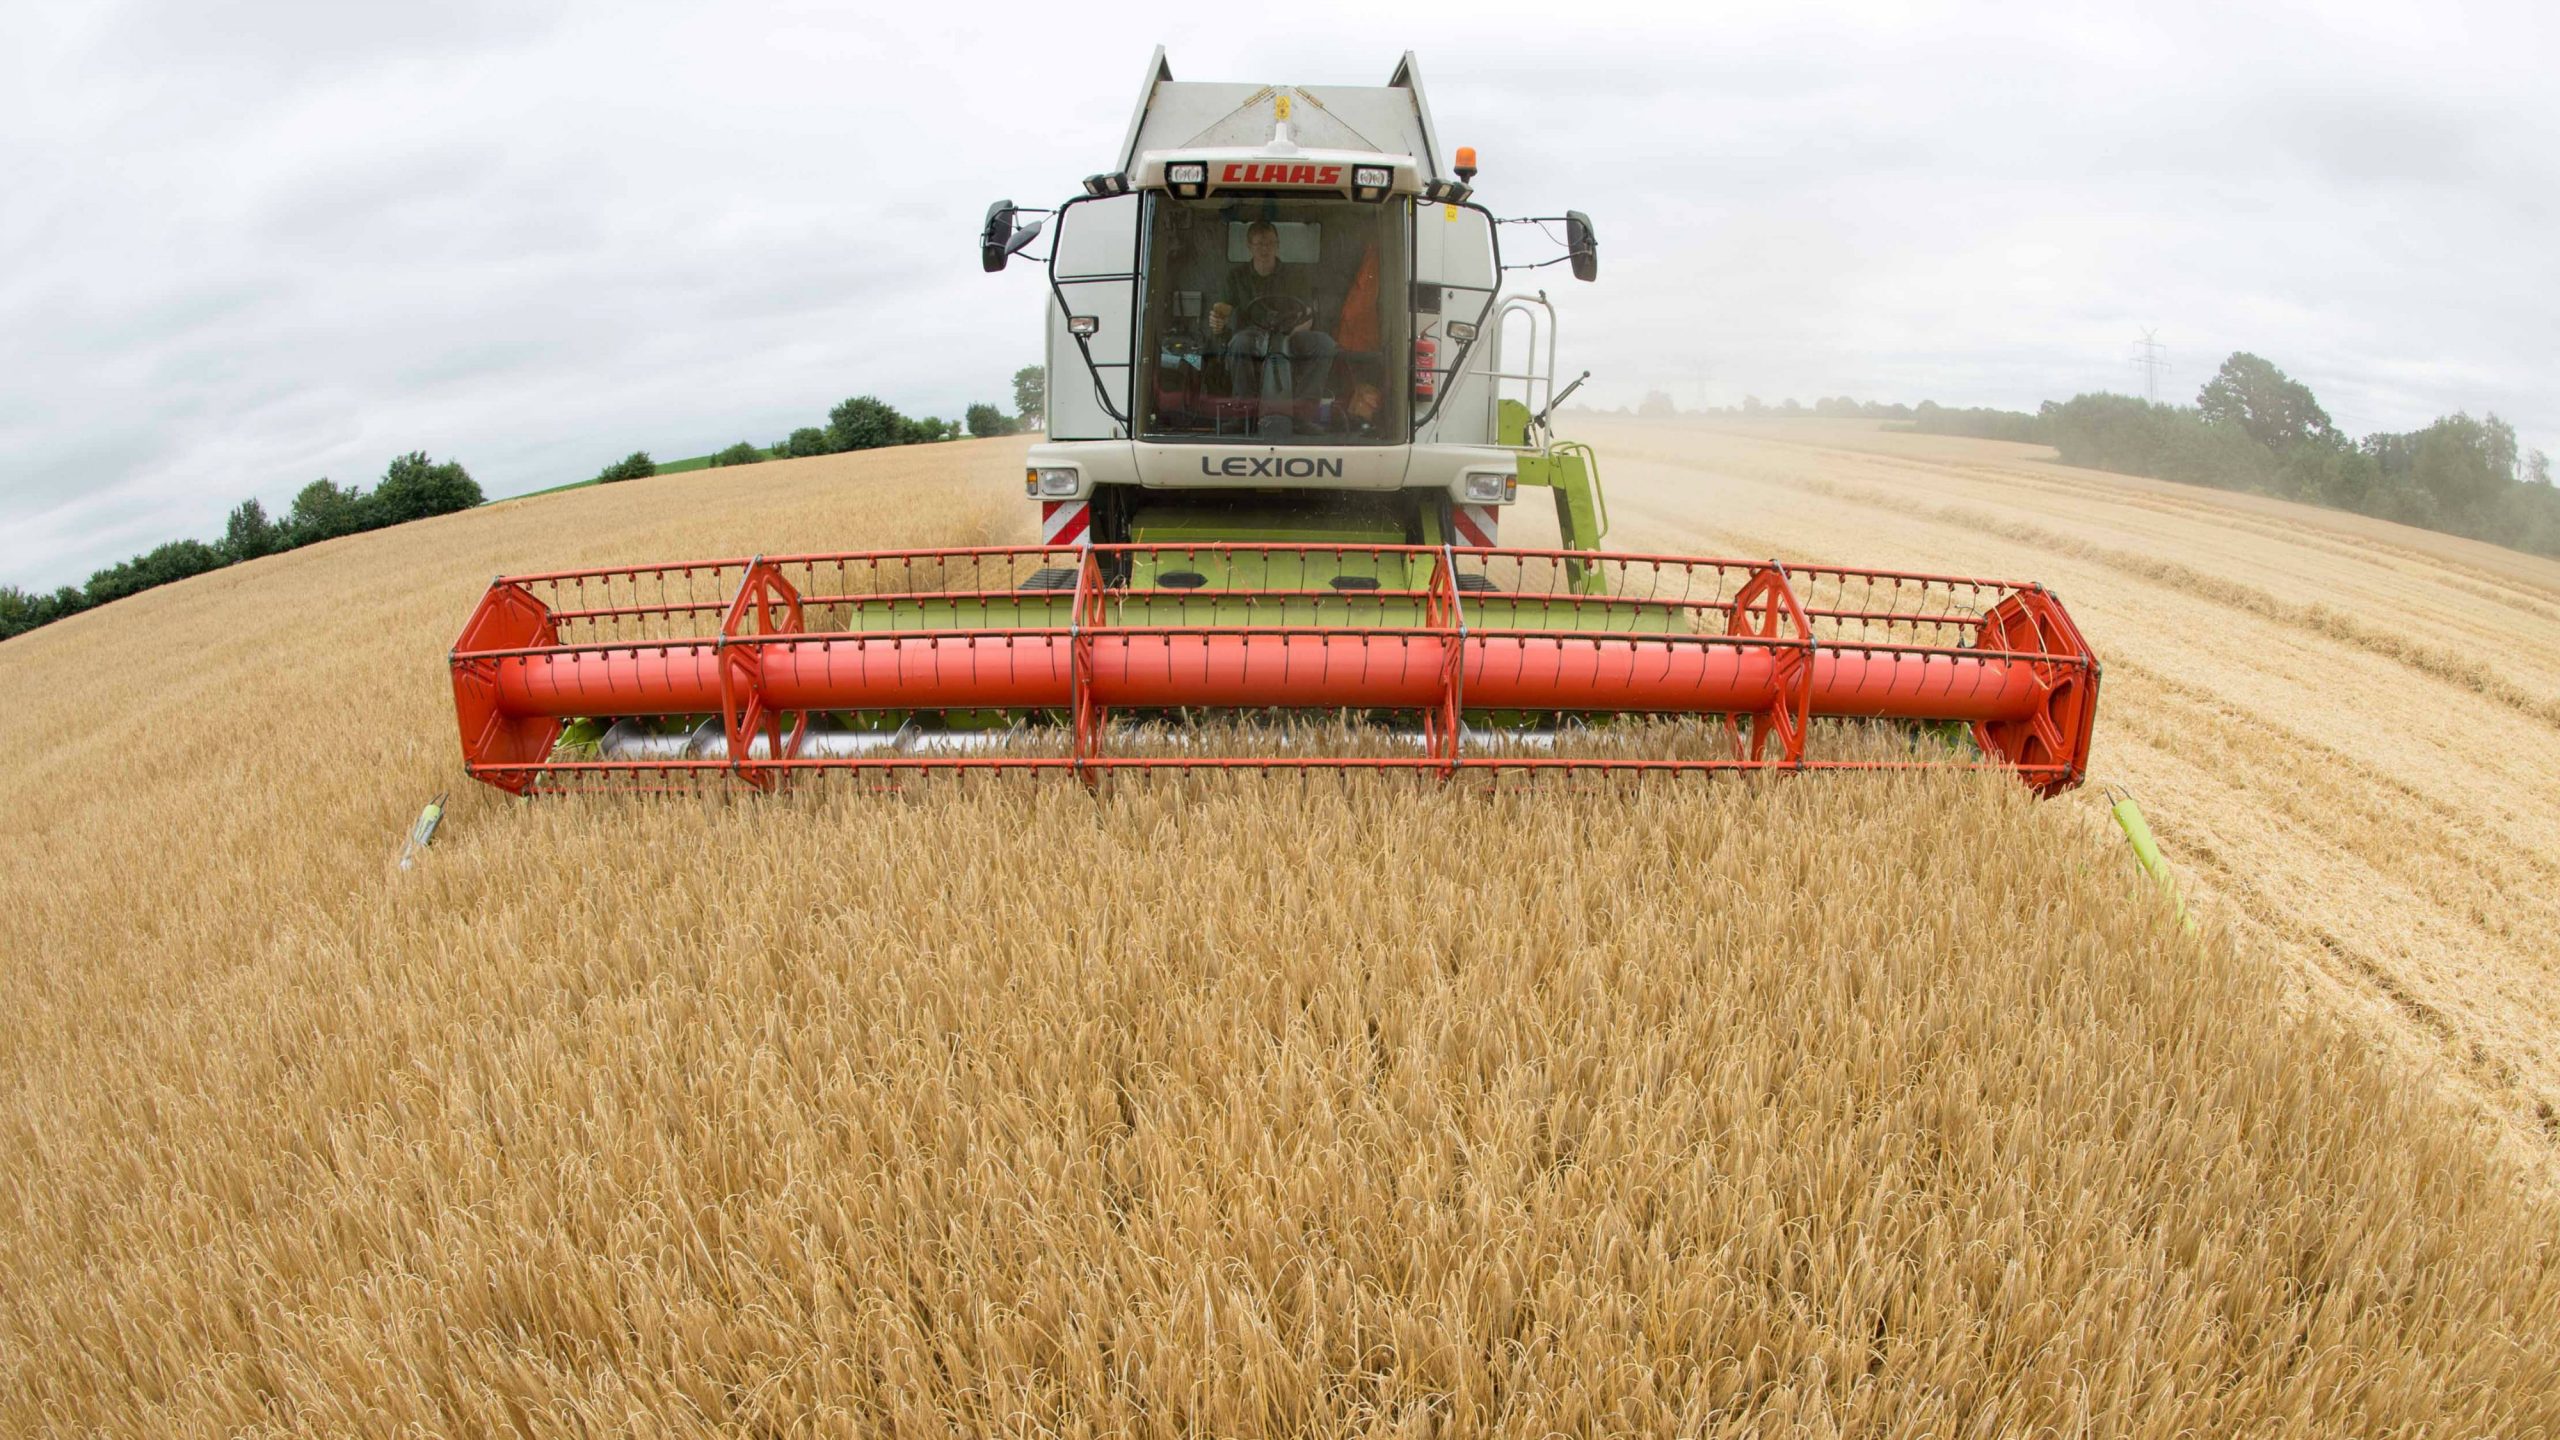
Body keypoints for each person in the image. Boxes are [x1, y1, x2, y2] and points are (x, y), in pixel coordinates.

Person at [1206, 219, 1336, 437]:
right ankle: (1243, 417)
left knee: (1325, 344)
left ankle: (1302, 416)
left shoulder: (1296, 276)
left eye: (1269, 243)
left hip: (1291, 334)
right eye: (1259, 244)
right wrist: (1216, 320)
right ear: (1249, 247)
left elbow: (1307, 315)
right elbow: (1222, 310)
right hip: (1252, 335)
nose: (1265, 249)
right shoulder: (1236, 277)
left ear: (1277, 245)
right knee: (1239, 343)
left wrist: (1293, 333)